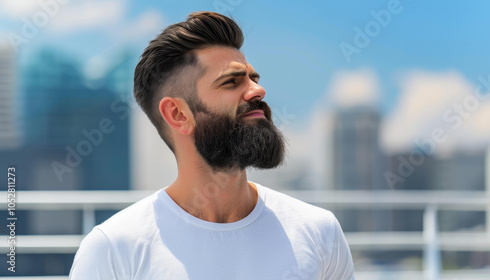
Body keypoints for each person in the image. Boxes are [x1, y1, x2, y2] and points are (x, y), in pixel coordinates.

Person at [69, 11, 355, 280]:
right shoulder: (112, 250)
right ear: (178, 115)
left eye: (253, 78)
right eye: (232, 82)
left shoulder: (320, 232)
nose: (258, 90)